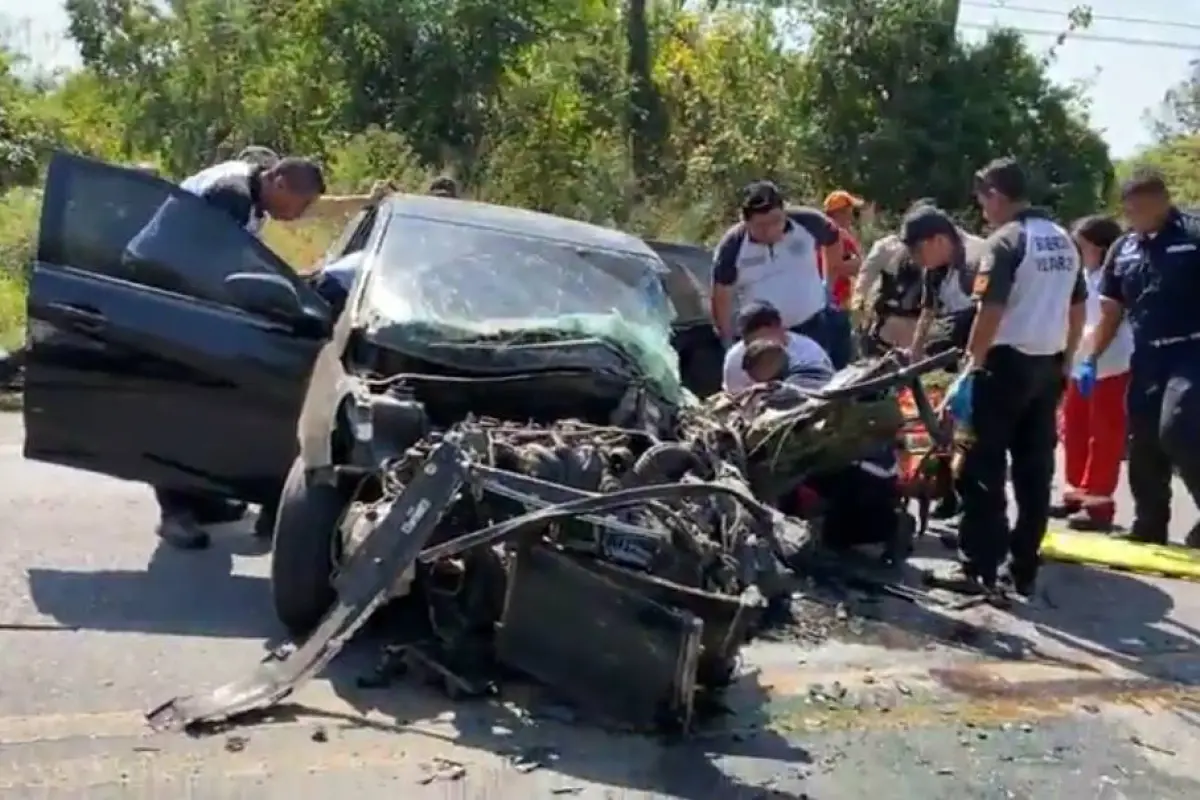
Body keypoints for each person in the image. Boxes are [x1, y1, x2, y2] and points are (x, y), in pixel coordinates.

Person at [916, 158, 1086, 598]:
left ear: (995, 194)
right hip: (1047, 367)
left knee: (979, 467)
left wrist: (971, 367)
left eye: (983, 200)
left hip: (1004, 365)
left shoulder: (1007, 240)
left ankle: (978, 569)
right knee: (1034, 472)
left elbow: (990, 310)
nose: (982, 211)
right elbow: (1077, 307)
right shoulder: (1065, 240)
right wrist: (1065, 362)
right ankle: (1023, 569)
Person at [145, 156, 327, 549]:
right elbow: (219, 266)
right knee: (180, 407)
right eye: (303, 203)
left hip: (183, 291)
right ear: (279, 183)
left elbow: (235, 259)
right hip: (163, 292)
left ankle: (203, 502)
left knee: (208, 405)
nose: (302, 214)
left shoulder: (248, 191)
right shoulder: (232, 196)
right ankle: (175, 513)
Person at [1085, 169, 1200, 548]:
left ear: (1164, 203)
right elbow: (1111, 311)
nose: (1135, 219)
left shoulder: (1193, 235)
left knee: (1178, 426)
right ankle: (1150, 523)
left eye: (1143, 211)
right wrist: (1090, 357)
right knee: (1144, 438)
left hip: (1192, 349)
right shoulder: (1124, 248)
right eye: (1130, 211)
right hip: (1148, 352)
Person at [710, 181, 851, 368]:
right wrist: (726, 339)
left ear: (784, 211)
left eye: (776, 221)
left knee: (818, 377)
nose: (769, 230)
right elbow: (721, 295)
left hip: (812, 323)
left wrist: (829, 282)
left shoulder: (808, 222)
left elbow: (833, 237)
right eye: (760, 225)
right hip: (763, 337)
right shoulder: (733, 245)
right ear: (745, 222)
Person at [1054, 215, 1131, 532]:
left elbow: (1110, 321)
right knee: (1074, 430)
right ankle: (1076, 492)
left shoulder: (1115, 276)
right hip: (1080, 363)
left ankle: (1098, 503)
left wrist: (1092, 356)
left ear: (1099, 248)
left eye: (1081, 245)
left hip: (1111, 364)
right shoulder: (1082, 276)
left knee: (1104, 435)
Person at [853, 198, 987, 352]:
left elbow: (988, 314)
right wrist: (915, 353)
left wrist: (972, 360)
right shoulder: (934, 267)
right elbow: (928, 310)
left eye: (916, 251)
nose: (913, 258)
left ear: (938, 240)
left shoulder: (975, 260)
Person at [721, 301, 833, 393]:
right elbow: (734, 400)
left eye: (765, 341)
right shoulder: (734, 361)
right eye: (752, 344)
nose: (759, 349)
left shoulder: (809, 353)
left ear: (781, 329)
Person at [819, 190, 866, 310]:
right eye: (850, 211)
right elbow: (840, 266)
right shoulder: (839, 235)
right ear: (841, 212)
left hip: (819, 297)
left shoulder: (816, 233)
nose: (851, 216)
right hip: (835, 299)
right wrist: (857, 263)